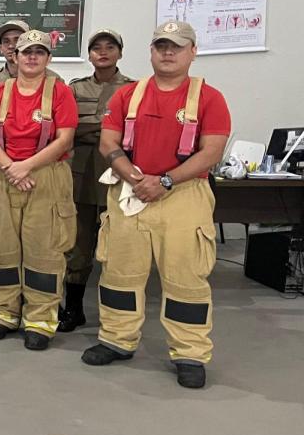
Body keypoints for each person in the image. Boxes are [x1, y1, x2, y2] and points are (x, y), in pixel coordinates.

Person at [81, 21, 230, 389]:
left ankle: (190, 352)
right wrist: (134, 177)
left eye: (177, 46)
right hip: (131, 191)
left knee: (185, 279)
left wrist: (165, 181)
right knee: (119, 273)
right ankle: (117, 339)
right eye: (161, 45)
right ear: (150, 51)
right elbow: (108, 143)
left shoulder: (209, 98)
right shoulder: (127, 95)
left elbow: (212, 151)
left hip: (182, 196)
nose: (168, 52)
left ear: (192, 52)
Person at [0, 30, 78, 350]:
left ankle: (40, 319)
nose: (32, 57)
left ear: (48, 58)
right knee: (0, 245)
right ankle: (3, 312)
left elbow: (64, 139)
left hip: (46, 177)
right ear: (14, 57)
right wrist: (11, 168)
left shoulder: (60, 92)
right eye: (26, 52)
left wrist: (26, 167)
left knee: (44, 249)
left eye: (39, 52)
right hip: (3, 174)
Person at [59, 29, 134, 332]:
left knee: (120, 245)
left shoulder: (133, 89)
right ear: (89, 55)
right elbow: (67, 129)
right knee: (78, 244)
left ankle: (118, 316)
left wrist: (93, 131)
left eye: (110, 47)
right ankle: (74, 310)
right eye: (96, 48)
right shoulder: (75, 90)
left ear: (119, 52)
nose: (103, 52)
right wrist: (103, 131)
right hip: (80, 175)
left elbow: (131, 134)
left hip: (118, 176)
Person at [0, 20, 62, 94]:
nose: (11, 46)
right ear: (1, 48)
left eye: (17, 40)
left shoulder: (54, 80)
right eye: (6, 41)